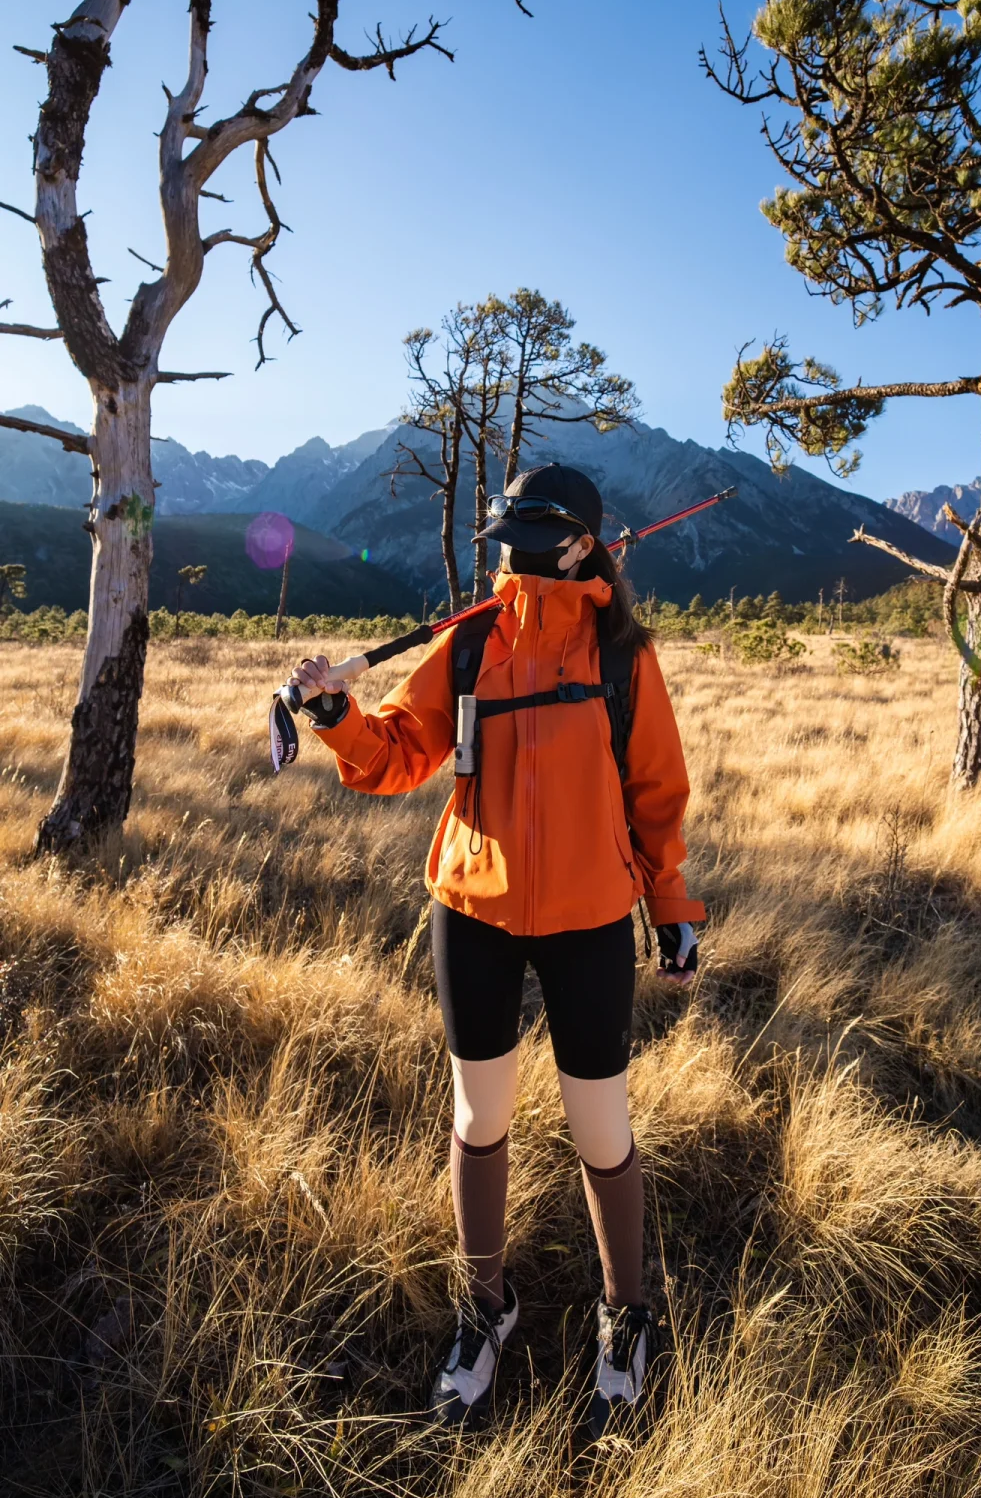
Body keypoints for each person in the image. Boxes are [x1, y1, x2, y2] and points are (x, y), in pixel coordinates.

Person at [287, 463, 703, 1439]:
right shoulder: (471, 644)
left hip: (591, 919)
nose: (516, 552)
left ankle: (625, 1313)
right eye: (509, 535)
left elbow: (657, 795)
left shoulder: (622, 656)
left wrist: (671, 906)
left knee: (600, 1129)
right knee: (480, 1117)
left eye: (535, 535)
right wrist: (340, 718)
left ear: (584, 544)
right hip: (470, 911)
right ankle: (486, 1308)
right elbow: (400, 752)